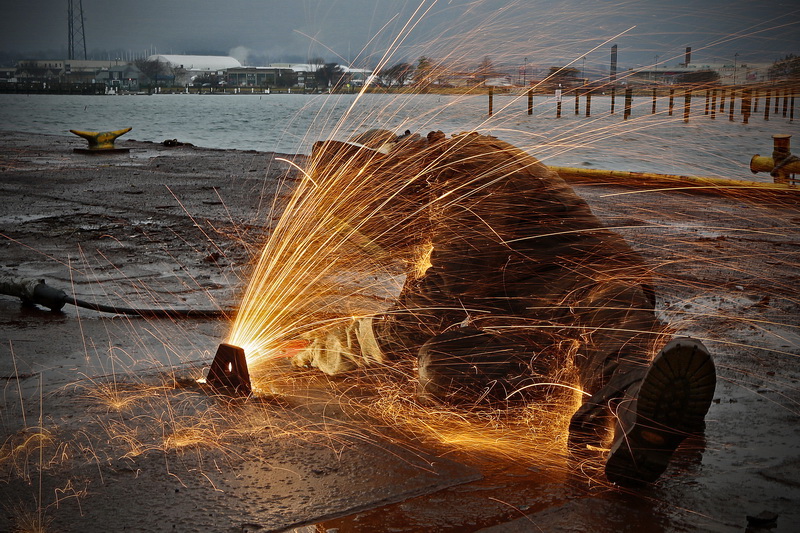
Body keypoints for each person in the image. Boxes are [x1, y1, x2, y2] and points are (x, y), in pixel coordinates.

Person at [290, 129, 716, 486]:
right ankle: (571, 390)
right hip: (527, 320)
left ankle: (641, 418)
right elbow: (421, 306)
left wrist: (335, 349)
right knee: (439, 370)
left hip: (594, 291)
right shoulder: (432, 196)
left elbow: (437, 300)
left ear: (382, 186)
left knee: (610, 351)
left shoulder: (467, 170)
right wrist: (342, 345)